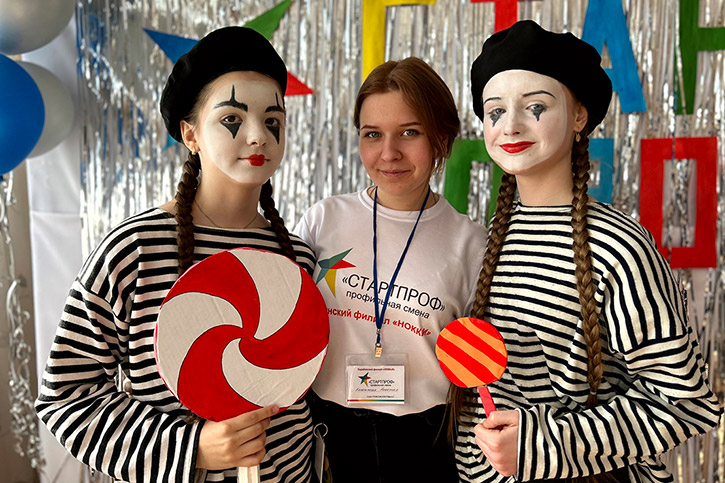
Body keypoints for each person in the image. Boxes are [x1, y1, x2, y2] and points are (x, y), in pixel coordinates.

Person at [35, 27, 317, 483]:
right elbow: (66, 397)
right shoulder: (134, 251)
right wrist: (193, 448)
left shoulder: (298, 258)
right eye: (232, 118)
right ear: (190, 134)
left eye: (272, 120)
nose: (258, 136)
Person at [451, 20, 722, 483]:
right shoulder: (488, 238)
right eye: (495, 111)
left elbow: (687, 403)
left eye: (535, 106)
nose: (510, 125)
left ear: (579, 116)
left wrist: (540, 445)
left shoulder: (619, 246)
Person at [294, 57, 486, 482]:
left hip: (427, 443)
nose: (389, 153)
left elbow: (480, 368)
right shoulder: (323, 220)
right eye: (372, 134)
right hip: (326, 434)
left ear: (441, 137)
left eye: (409, 132)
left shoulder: (471, 244)